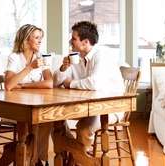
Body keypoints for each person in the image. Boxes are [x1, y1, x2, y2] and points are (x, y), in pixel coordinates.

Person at [53, 21, 125, 165]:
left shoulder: (103, 54)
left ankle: (75, 160)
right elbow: (56, 82)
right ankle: (75, 153)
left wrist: (71, 83)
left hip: (110, 107)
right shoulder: (76, 56)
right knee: (53, 120)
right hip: (87, 106)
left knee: (84, 127)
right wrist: (63, 68)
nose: (70, 41)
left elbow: (94, 83)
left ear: (85, 41)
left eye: (73, 38)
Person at [4, 24, 53, 166]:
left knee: (47, 120)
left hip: (36, 106)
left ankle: (38, 159)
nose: (40, 41)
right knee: (34, 121)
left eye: (40, 38)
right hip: (16, 107)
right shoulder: (14, 58)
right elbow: (8, 85)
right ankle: (32, 160)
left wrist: (23, 86)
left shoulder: (41, 58)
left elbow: (49, 83)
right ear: (26, 41)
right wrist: (30, 67)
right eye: (36, 38)